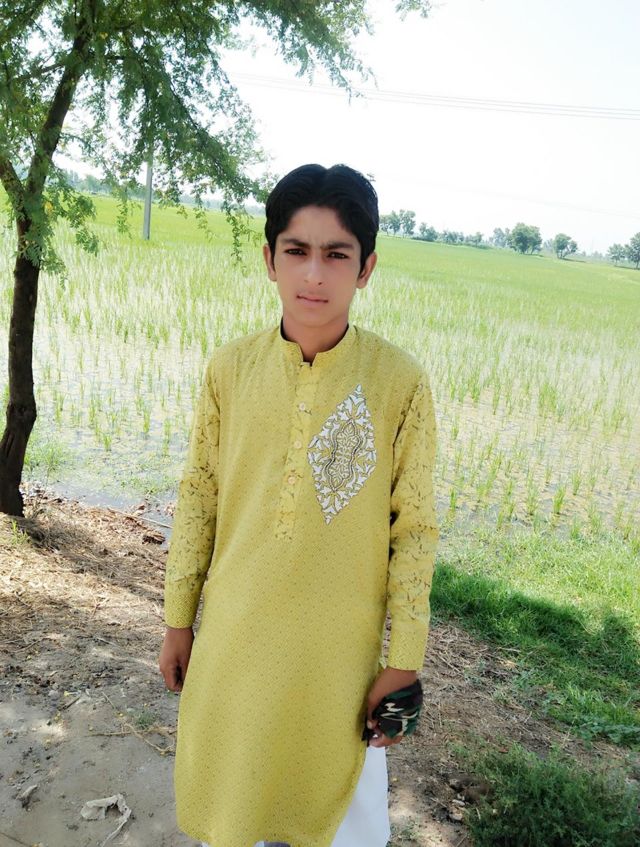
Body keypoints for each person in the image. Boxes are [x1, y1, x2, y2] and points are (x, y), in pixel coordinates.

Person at [158, 163, 439, 847]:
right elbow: (199, 498)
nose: (314, 274)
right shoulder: (230, 370)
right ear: (270, 260)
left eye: (336, 254)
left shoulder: (398, 383)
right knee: (235, 807)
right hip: (235, 640)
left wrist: (403, 657)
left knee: (341, 818)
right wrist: (177, 619)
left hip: (338, 659)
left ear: (366, 268)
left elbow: (414, 530)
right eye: (297, 251)